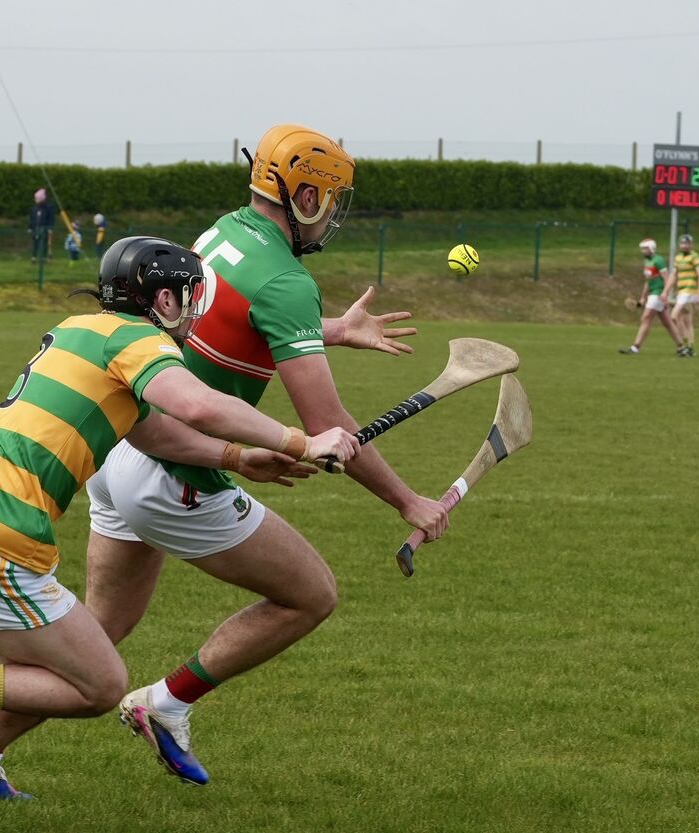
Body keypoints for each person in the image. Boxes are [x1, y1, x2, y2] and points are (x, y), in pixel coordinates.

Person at [0, 235, 360, 829]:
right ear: (163, 301)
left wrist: (236, 457)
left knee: (35, 685)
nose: (192, 307)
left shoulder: (85, 328)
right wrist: (300, 439)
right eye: (185, 296)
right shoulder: (140, 342)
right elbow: (198, 405)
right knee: (100, 686)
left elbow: (151, 432)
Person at [82, 124, 450, 786]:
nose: (333, 213)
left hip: (125, 440)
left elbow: (232, 321)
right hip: (181, 470)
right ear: (306, 197)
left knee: (91, 639)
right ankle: (164, 702)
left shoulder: (224, 230)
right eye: (330, 199)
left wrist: (330, 329)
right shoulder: (287, 279)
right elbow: (327, 423)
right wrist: (407, 499)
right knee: (309, 595)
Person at [619, 238, 684, 356]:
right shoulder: (647, 262)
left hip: (658, 293)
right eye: (642, 249)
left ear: (652, 249)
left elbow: (667, 278)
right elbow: (648, 281)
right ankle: (682, 347)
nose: (643, 251)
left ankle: (635, 347)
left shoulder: (658, 260)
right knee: (667, 322)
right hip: (653, 293)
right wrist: (643, 297)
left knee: (646, 318)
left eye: (645, 248)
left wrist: (665, 294)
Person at [664, 233, 699, 357]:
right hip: (681, 291)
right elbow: (673, 275)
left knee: (674, 316)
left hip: (689, 291)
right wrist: (666, 291)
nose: (685, 246)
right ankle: (690, 347)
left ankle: (684, 346)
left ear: (692, 244)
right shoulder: (678, 258)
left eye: (687, 243)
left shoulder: (695, 257)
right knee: (687, 320)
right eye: (682, 243)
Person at [27, 188, 55, 261]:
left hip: (44, 228)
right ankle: (33, 257)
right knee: (35, 243)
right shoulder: (34, 209)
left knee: (44, 243)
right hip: (35, 228)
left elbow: (51, 218)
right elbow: (31, 218)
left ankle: (44, 257)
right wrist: (30, 227)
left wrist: (50, 228)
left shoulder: (48, 208)